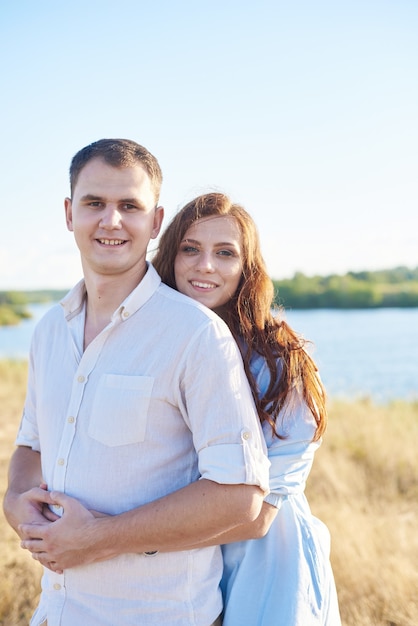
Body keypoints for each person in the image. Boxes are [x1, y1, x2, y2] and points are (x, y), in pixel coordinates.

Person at [3, 141, 270, 626]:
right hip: (56, 612)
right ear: (69, 212)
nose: (111, 221)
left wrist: (96, 538)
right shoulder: (48, 331)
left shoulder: (196, 335)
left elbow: (241, 494)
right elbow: (31, 445)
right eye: (94, 204)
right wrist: (17, 505)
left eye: (130, 206)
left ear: (156, 220)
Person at [152, 192, 342, 626]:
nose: (206, 266)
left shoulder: (279, 363)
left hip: (268, 563)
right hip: (178, 570)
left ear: (246, 268)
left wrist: (112, 539)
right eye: (190, 249)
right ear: (170, 256)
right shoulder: (155, 346)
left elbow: (257, 519)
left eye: (225, 253)